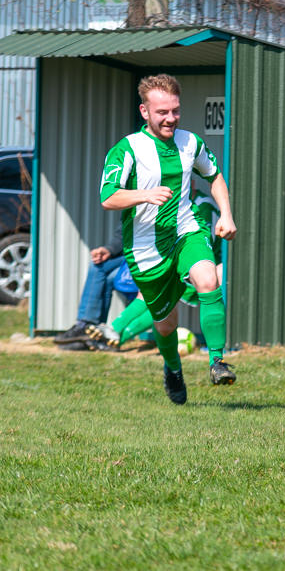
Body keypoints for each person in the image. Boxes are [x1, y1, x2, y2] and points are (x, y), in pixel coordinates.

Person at [99, 73, 238, 405]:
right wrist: (143, 195)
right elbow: (108, 197)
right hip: (145, 249)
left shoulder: (191, 142)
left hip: (185, 232)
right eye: (163, 112)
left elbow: (214, 175)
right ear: (144, 111)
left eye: (175, 110)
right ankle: (173, 369)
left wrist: (227, 214)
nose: (171, 118)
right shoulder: (128, 149)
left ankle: (217, 361)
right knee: (166, 324)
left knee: (208, 278)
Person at [87, 188, 223, 350]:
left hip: (202, 262)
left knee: (158, 300)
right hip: (175, 258)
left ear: (190, 182)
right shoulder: (170, 203)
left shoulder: (202, 205)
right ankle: (113, 338)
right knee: (158, 303)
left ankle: (114, 331)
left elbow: (200, 240)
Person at [53, 222, 136, 350]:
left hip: (152, 256)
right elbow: (124, 232)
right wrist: (110, 250)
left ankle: (88, 328)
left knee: (108, 276)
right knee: (100, 268)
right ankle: (92, 333)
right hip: (132, 254)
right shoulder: (134, 204)